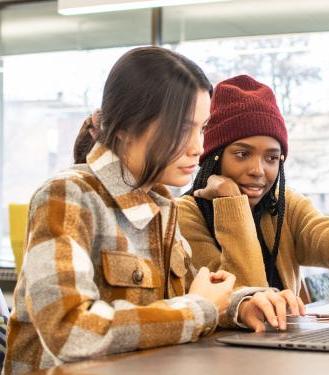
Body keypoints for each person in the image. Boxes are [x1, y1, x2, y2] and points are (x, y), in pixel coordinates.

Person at [3, 50, 302, 375]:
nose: (198, 147)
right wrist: (199, 309)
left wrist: (242, 304)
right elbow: (70, 332)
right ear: (126, 128)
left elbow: (192, 294)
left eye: (202, 129)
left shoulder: (161, 205)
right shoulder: (67, 196)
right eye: (182, 129)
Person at [177, 74, 329, 296]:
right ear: (214, 156)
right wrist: (231, 202)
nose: (258, 170)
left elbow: (326, 236)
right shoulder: (184, 216)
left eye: (272, 158)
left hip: (287, 331)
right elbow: (246, 295)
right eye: (242, 154)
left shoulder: (281, 204)